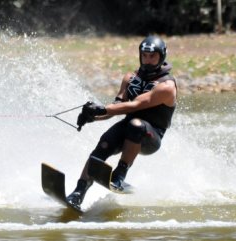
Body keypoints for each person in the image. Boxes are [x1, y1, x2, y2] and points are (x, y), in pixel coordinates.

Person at [66, 35, 177, 208]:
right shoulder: (130, 78)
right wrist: (92, 116)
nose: (147, 61)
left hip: (149, 137)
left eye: (152, 56)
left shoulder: (166, 87)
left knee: (136, 125)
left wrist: (102, 109)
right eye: (144, 56)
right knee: (104, 144)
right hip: (128, 127)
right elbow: (116, 107)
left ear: (161, 57)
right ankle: (78, 192)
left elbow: (135, 105)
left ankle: (119, 174)